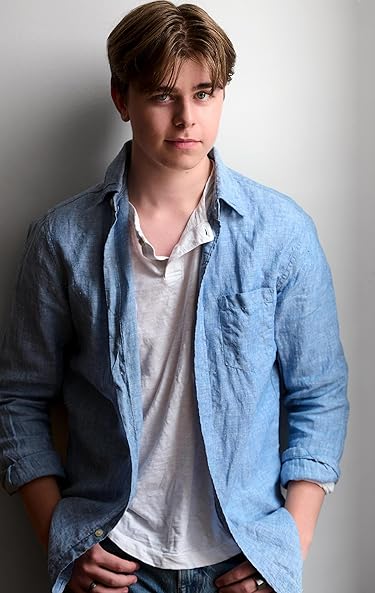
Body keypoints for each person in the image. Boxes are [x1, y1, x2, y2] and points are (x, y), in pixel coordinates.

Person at [0, 2, 349, 593]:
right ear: (122, 99)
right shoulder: (61, 239)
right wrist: (59, 538)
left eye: (204, 93)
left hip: (241, 559)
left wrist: (288, 545)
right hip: (114, 560)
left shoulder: (281, 233)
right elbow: (20, 398)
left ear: (221, 95)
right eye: (163, 95)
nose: (187, 117)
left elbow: (319, 393)